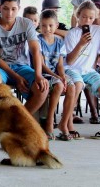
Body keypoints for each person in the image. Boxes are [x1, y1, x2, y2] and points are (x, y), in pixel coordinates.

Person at [0, 0, 49, 114]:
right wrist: (16, 77)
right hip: (1, 68)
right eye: (6, 8)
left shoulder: (26, 23)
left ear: (19, 8)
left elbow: (35, 51)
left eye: (13, 9)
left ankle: (19, 122)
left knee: (42, 88)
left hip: (22, 67)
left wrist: (38, 75)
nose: (9, 13)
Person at [64, 0, 100, 138]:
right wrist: (80, 44)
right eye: (84, 17)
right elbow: (69, 60)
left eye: (91, 18)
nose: (87, 20)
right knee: (78, 84)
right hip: (72, 69)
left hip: (88, 70)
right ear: (78, 16)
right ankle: (69, 122)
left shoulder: (98, 31)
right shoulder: (72, 33)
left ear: (95, 18)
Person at [37, 10, 78, 141]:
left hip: (56, 74)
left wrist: (63, 76)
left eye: (50, 25)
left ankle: (63, 123)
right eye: (43, 25)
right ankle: (49, 122)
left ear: (56, 25)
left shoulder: (60, 42)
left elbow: (60, 64)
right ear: (39, 25)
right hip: (43, 74)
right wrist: (57, 77)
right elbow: (42, 65)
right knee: (59, 85)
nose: (47, 29)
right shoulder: (38, 41)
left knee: (72, 86)